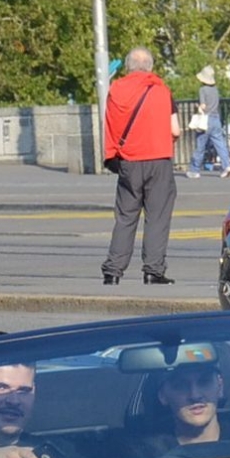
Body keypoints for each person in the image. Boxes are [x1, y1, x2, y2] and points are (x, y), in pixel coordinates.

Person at [101, 47, 176, 286]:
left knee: (125, 217)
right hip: (158, 161)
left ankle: (113, 271)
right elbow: (175, 129)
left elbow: (111, 127)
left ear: (128, 66)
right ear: (150, 66)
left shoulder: (115, 90)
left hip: (128, 162)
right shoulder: (161, 90)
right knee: (157, 217)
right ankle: (153, 270)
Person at [137, 362, 229, 453]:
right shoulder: (145, 454)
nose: (195, 395)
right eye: (181, 385)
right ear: (162, 396)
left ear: (220, 387)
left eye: (204, 382)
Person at [189, 65, 229, 176]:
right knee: (220, 144)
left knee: (200, 145)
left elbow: (203, 106)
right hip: (216, 118)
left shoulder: (202, 90)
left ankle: (194, 170)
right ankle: (227, 165)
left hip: (206, 120)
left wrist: (198, 108)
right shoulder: (215, 90)